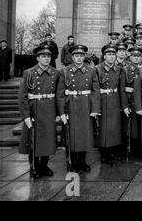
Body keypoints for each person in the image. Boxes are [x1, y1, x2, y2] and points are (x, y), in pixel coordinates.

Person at [18, 44, 64, 178]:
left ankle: (44, 165)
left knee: (48, 140)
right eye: (43, 56)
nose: (46, 59)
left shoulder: (56, 73)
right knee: (33, 139)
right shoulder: (29, 73)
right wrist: (26, 115)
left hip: (49, 110)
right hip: (34, 110)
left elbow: (58, 95)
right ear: (38, 58)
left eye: (48, 56)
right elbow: (22, 97)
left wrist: (58, 113)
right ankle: (34, 166)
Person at [60, 45, 100, 172]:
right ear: (72, 57)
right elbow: (60, 93)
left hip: (85, 105)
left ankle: (82, 161)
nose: (79, 58)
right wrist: (62, 111)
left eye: (81, 56)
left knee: (84, 134)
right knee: (71, 134)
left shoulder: (91, 71)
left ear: (84, 57)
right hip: (70, 105)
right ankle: (73, 161)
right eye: (76, 56)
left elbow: (95, 90)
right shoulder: (65, 71)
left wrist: (95, 109)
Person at [95, 45, 128, 164]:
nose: (111, 57)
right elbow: (95, 89)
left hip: (115, 99)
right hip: (103, 100)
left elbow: (122, 88)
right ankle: (104, 153)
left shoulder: (119, 69)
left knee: (114, 128)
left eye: (113, 54)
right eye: (109, 54)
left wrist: (123, 105)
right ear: (104, 56)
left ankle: (112, 152)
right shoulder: (98, 69)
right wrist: (96, 106)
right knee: (103, 128)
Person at [122, 46, 142, 157]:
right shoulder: (126, 69)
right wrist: (125, 105)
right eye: (134, 56)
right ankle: (132, 150)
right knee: (132, 128)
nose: (136, 58)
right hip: (131, 101)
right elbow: (123, 89)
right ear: (130, 57)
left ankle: (141, 148)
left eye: (138, 56)